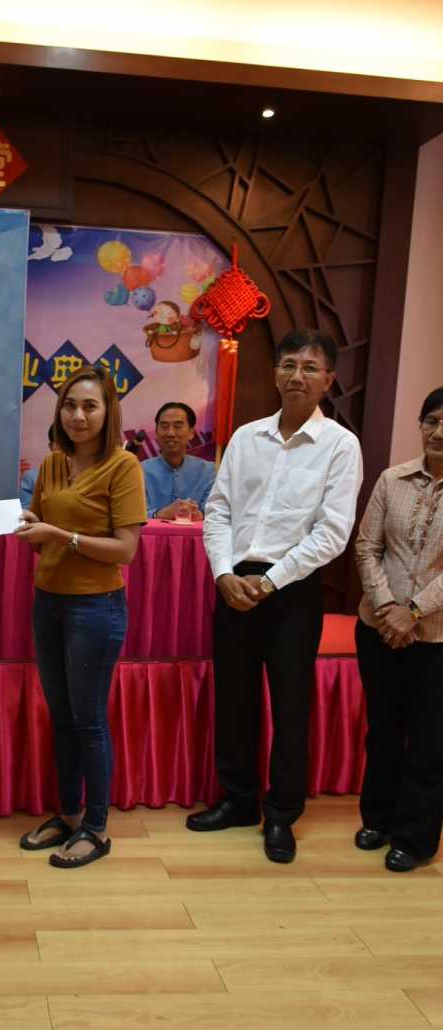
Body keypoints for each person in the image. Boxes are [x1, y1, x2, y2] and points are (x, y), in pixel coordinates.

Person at [191, 329, 363, 863]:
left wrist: (270, 581)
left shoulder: (340, 445)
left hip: (292, 592)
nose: (297, 376)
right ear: (275, 373)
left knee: (290, 706)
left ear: (328, 380)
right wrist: (224, 573)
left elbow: (332, 533)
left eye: (310, 368)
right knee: (234, 699)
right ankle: (239, 801)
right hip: (233, 584)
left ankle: (282, 813)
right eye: (289, 365)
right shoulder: (247, 438)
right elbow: (218, 510)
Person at [16, 365, 147, 868]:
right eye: (70, 405)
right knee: (62, 717)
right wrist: (32, 526)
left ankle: (97, 827)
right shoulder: (52, 463)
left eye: (90, 406)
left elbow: (125, 550)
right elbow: (40, 535)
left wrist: (59, 535)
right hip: (47, 601)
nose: (78, 415)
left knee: (88, 720)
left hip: (95, 607)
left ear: (108, 412)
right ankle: (69, 814)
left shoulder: (124, 466)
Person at [353, 387, 443, 871]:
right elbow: (367, 546)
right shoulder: (393, 479)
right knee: (383, 731)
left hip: (437, 638)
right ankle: (378, 819)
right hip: (378, 629)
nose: (439, 432)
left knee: (429, 741)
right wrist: (388, 607)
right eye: (432, 420)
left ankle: (414, 837)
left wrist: (415, 610)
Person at [142, 402, 215, 518]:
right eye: (164, 426)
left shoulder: (208, 471)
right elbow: (131, 515)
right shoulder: (140, 471)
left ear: (191, 433)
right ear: (156, 433)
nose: (170, 433)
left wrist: (200, 515)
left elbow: (215, 512)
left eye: (177, 426)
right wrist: (160, 514)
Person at [19, 424, 55, 510]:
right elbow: (26, 511)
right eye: (61, 443)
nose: (66, 448)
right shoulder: (33, 477)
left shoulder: (86, 476)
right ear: (51, 447)